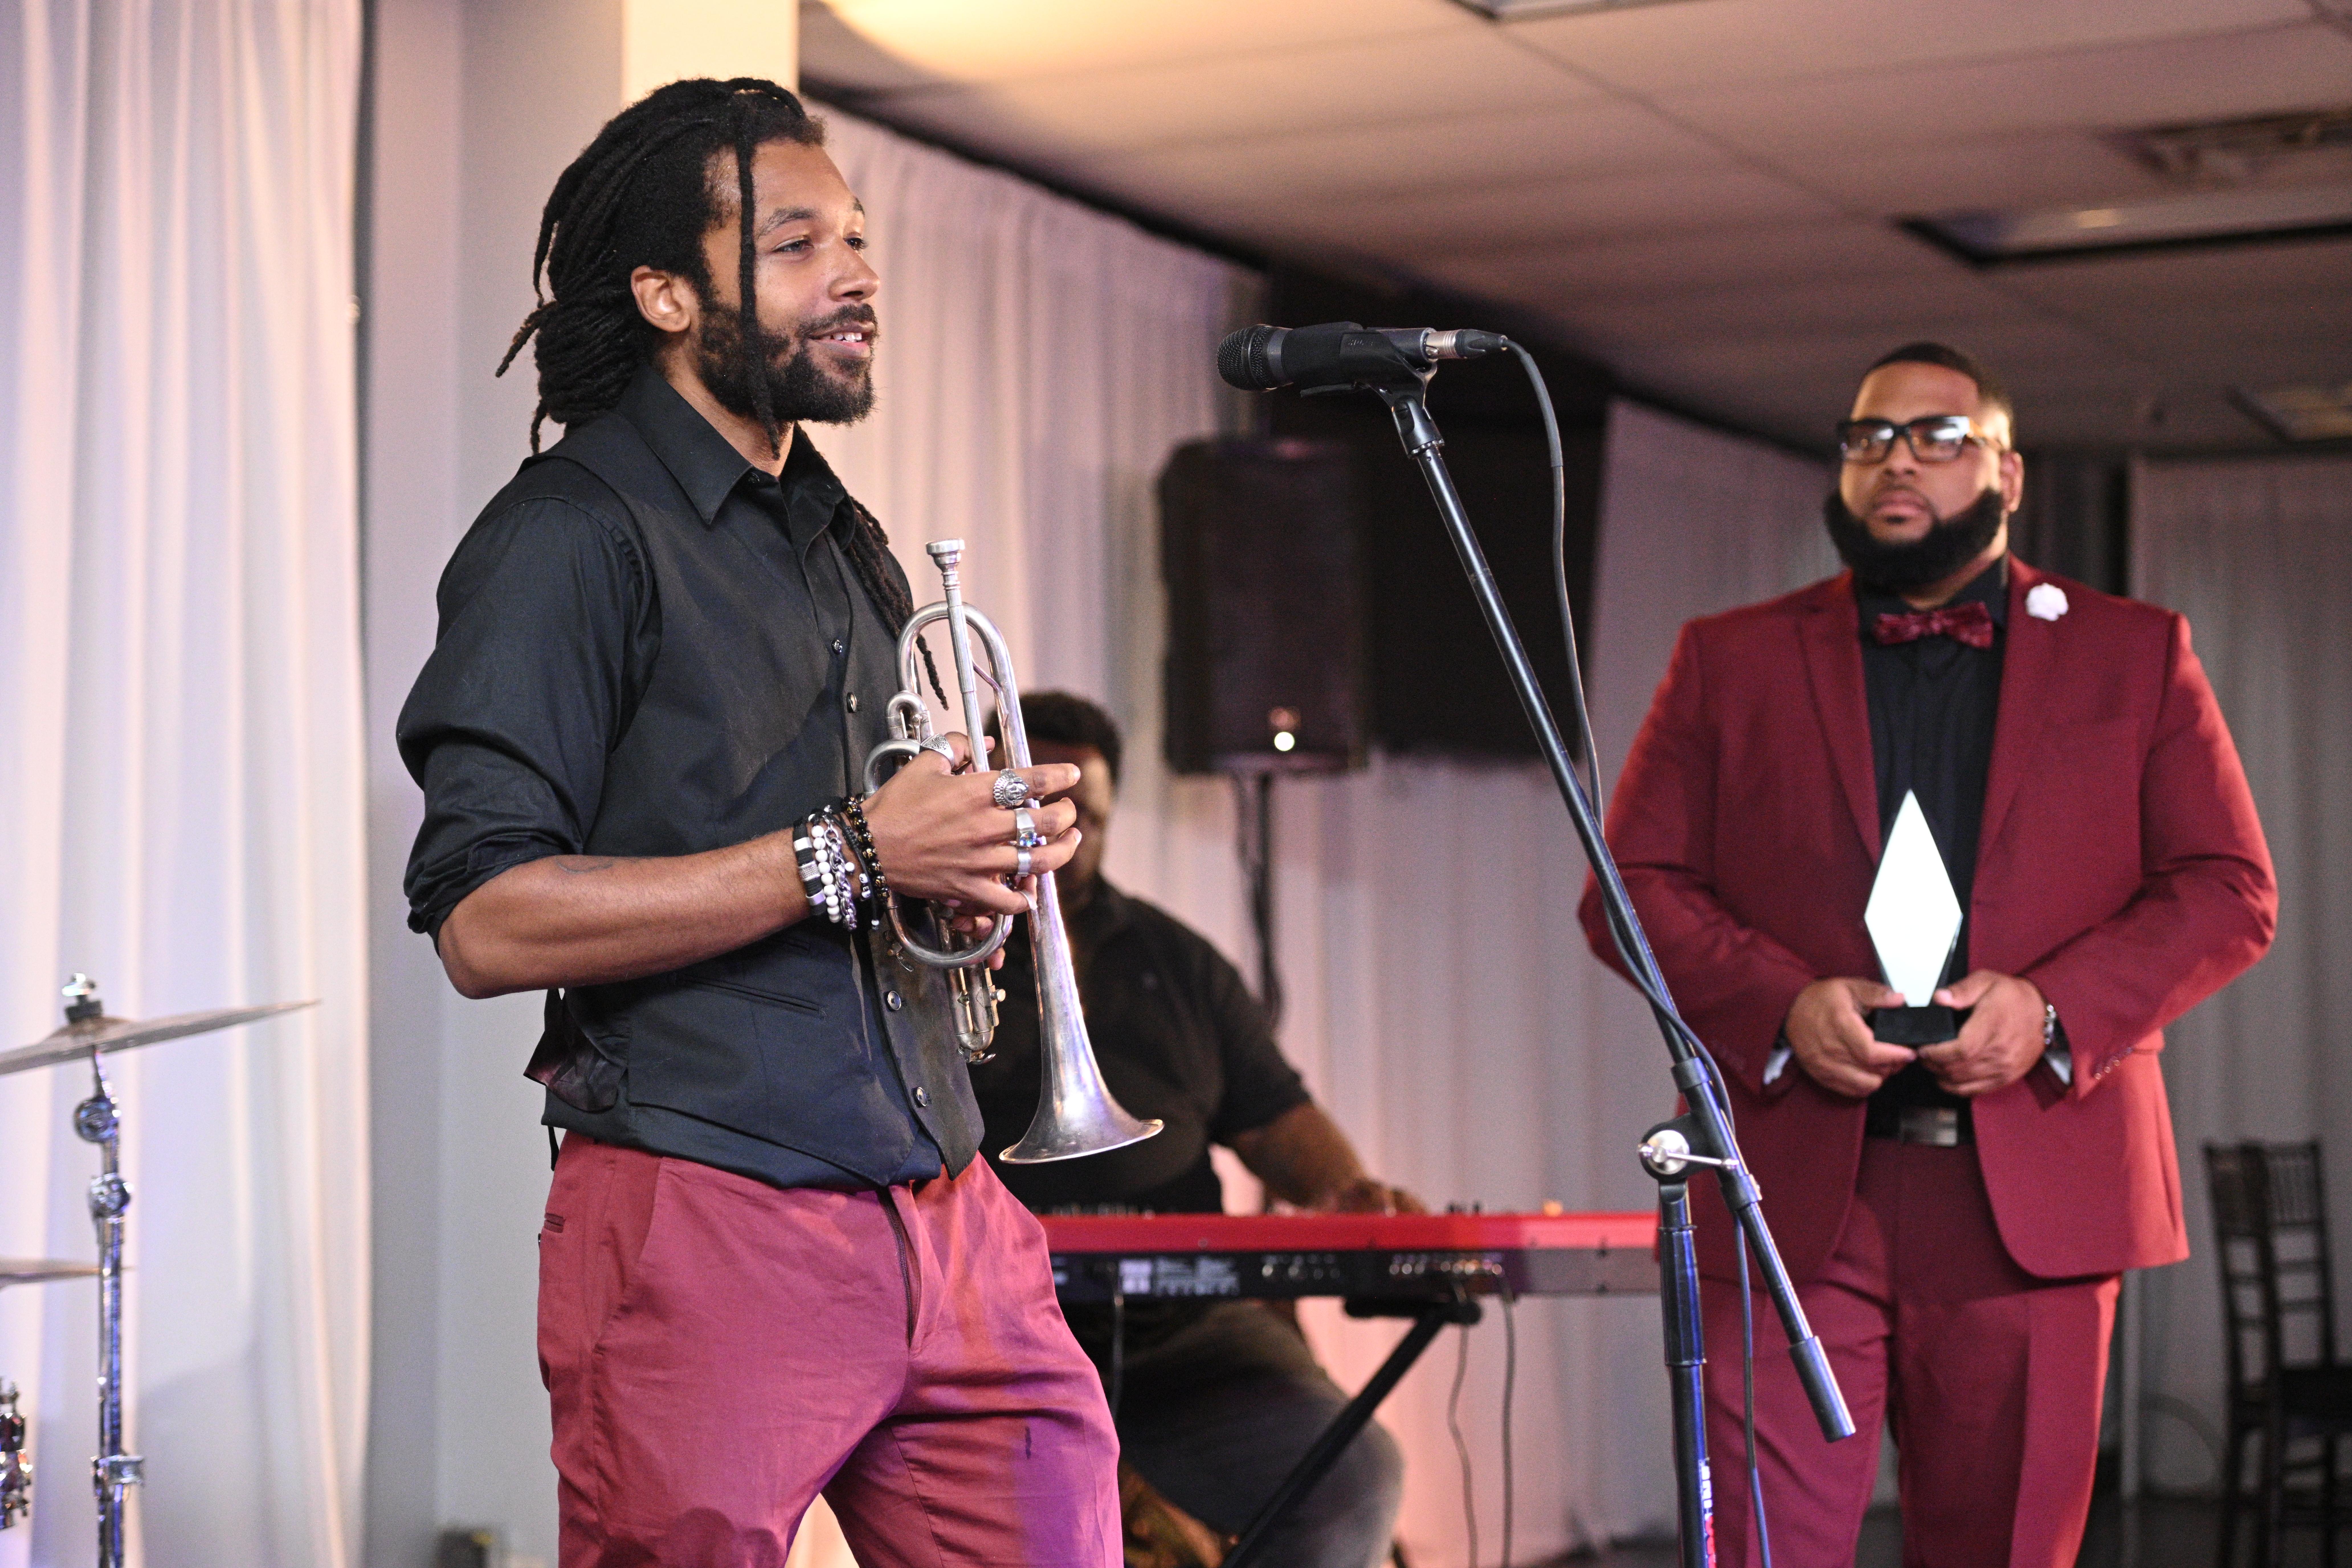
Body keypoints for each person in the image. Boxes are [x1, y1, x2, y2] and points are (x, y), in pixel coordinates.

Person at [396, 79, 1121, 1567]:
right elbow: (485, 921)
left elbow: (881, 872)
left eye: (856, 239)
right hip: (704, 1202)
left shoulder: (842, 535)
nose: (854, 272)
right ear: (666, 292)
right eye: (796, 245)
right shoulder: (566, 537)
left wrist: (967, 866)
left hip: (948, 1204)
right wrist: (854, 855)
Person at [1579, 343, 2275, 1567]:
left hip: (2032, 1190)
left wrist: (2053, 1008)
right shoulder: (1727, 656)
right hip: (1790, 1186)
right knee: (1760, 1550)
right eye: (1867, 437)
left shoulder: (2136, 650)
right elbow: (1625, 888)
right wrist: (1781, 1002)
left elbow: (2229, 889)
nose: (1895, 456)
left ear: (2009, 471)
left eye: (1936, 435)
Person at [971, 691, 1413, 1568]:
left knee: (1349, 1478)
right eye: (1034, 809)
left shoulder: (1180, 962)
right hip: (994, 1331)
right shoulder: (928, 956)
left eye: (1083, 817)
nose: (1059, 836)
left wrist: (1343, 1191)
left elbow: (1275, 1115)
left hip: (1181, 1325)